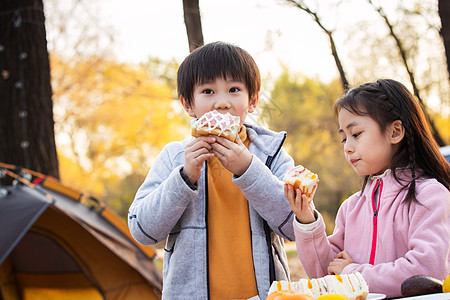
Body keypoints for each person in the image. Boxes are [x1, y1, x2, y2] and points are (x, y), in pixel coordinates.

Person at [128, 41, 296, 299]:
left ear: (252, 100)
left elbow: (295, 227)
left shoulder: (272, 154)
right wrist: (184, 178)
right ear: (188, 105)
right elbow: (143, 231)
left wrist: (249, 169)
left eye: (234, 89)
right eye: (208, 91)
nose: (222, 103)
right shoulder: (175, 157)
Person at [285, 79, 450, 298]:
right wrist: (306, 220)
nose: (348, 148)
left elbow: (426, 272)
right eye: (344, 138)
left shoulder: (430, 196)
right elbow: (325, 276)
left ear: (395, 132)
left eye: (356, 134)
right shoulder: (350, 208)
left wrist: (352, 274)